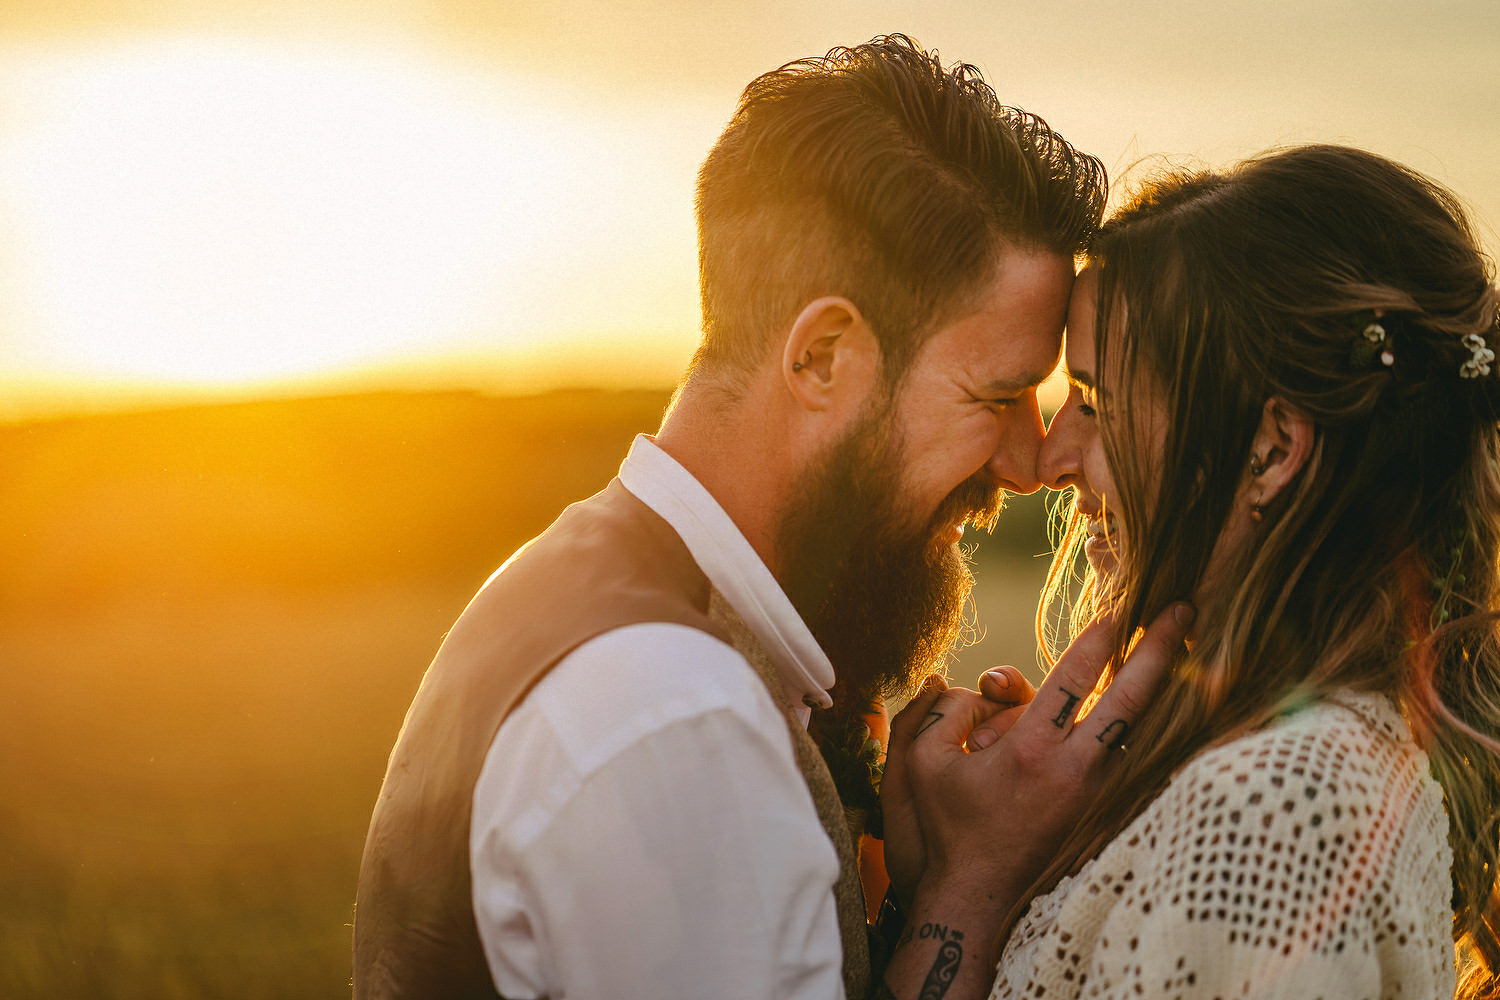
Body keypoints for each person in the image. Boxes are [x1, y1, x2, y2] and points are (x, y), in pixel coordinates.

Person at [352, 35, 1192, 1000]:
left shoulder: (575, 587)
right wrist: (975, 884)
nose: (1030, 460)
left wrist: (911, 887)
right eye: (996, 396)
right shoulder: (676, 717)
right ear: (823, 356)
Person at [908, 144, 1500, 998]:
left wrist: (965, 891)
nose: (1052, 457)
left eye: (1096, 404)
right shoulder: (1283, 772)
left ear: (1271, 450)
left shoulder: (1270, 812)